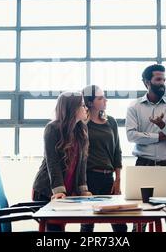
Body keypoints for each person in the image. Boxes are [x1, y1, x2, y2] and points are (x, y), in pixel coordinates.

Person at [126, 64, 166, 231]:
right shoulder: (134, 107)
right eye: (158, 79)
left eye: (164, 79)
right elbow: (131, 136)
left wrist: (162, 125)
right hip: (144, 164)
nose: (163, 83)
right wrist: (162, 134)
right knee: (140, 219)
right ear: (146, 82)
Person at [32, 91, 92, 231]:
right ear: (73, 108)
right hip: (46, 190)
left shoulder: (82, 129)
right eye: (82, 105)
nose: (86, 108)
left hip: (68, 191)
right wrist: (58, 191)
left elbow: (82, 163)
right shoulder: (52, 128)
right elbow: (52, 162)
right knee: (55, 231)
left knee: (59, 228)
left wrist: (83, 189)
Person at [80, 85, 127, 232]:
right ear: (89, 102)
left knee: (120, 224)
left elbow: (117, 152)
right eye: (100, 98)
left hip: (108, 178)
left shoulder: (111, 122)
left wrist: (118, 179)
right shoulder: (82, 124)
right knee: (87, 224)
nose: (105, 100)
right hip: (89, 178)